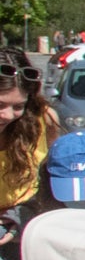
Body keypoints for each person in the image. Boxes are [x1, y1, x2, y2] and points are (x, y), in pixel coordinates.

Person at [0, 54, 53, 209]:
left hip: (25, 211)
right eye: (0, 105)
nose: (8, 115)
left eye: (18, 107)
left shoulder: (42, 120)